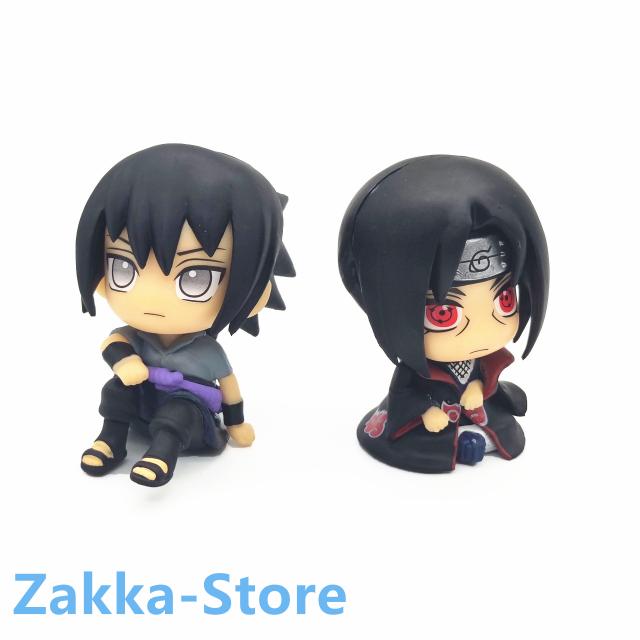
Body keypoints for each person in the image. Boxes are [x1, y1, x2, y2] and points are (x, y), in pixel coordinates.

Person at [76, 144, 295, 487]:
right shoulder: (138, 337)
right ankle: (110, 441)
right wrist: (125, 363)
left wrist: (236, 424)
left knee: (178, 413)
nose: (151, 296)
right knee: (116, 390)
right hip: (142, 404)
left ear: (255, 293)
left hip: (189, 415)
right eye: (123, 267)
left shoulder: (208, 353)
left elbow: (230, 389)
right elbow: (113, 344)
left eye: (195, 277)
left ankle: (162, 455)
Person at [338, 155, 549, 472]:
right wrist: (427, 412)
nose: (482, 331)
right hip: (431, 420)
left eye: (504, 300)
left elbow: (485, 381)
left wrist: (477, 389)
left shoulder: (482, 361)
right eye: (444, 314)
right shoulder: (417, 371)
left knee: (495, 433)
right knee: (433, 442)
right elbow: (405, 396)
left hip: (476, 411)